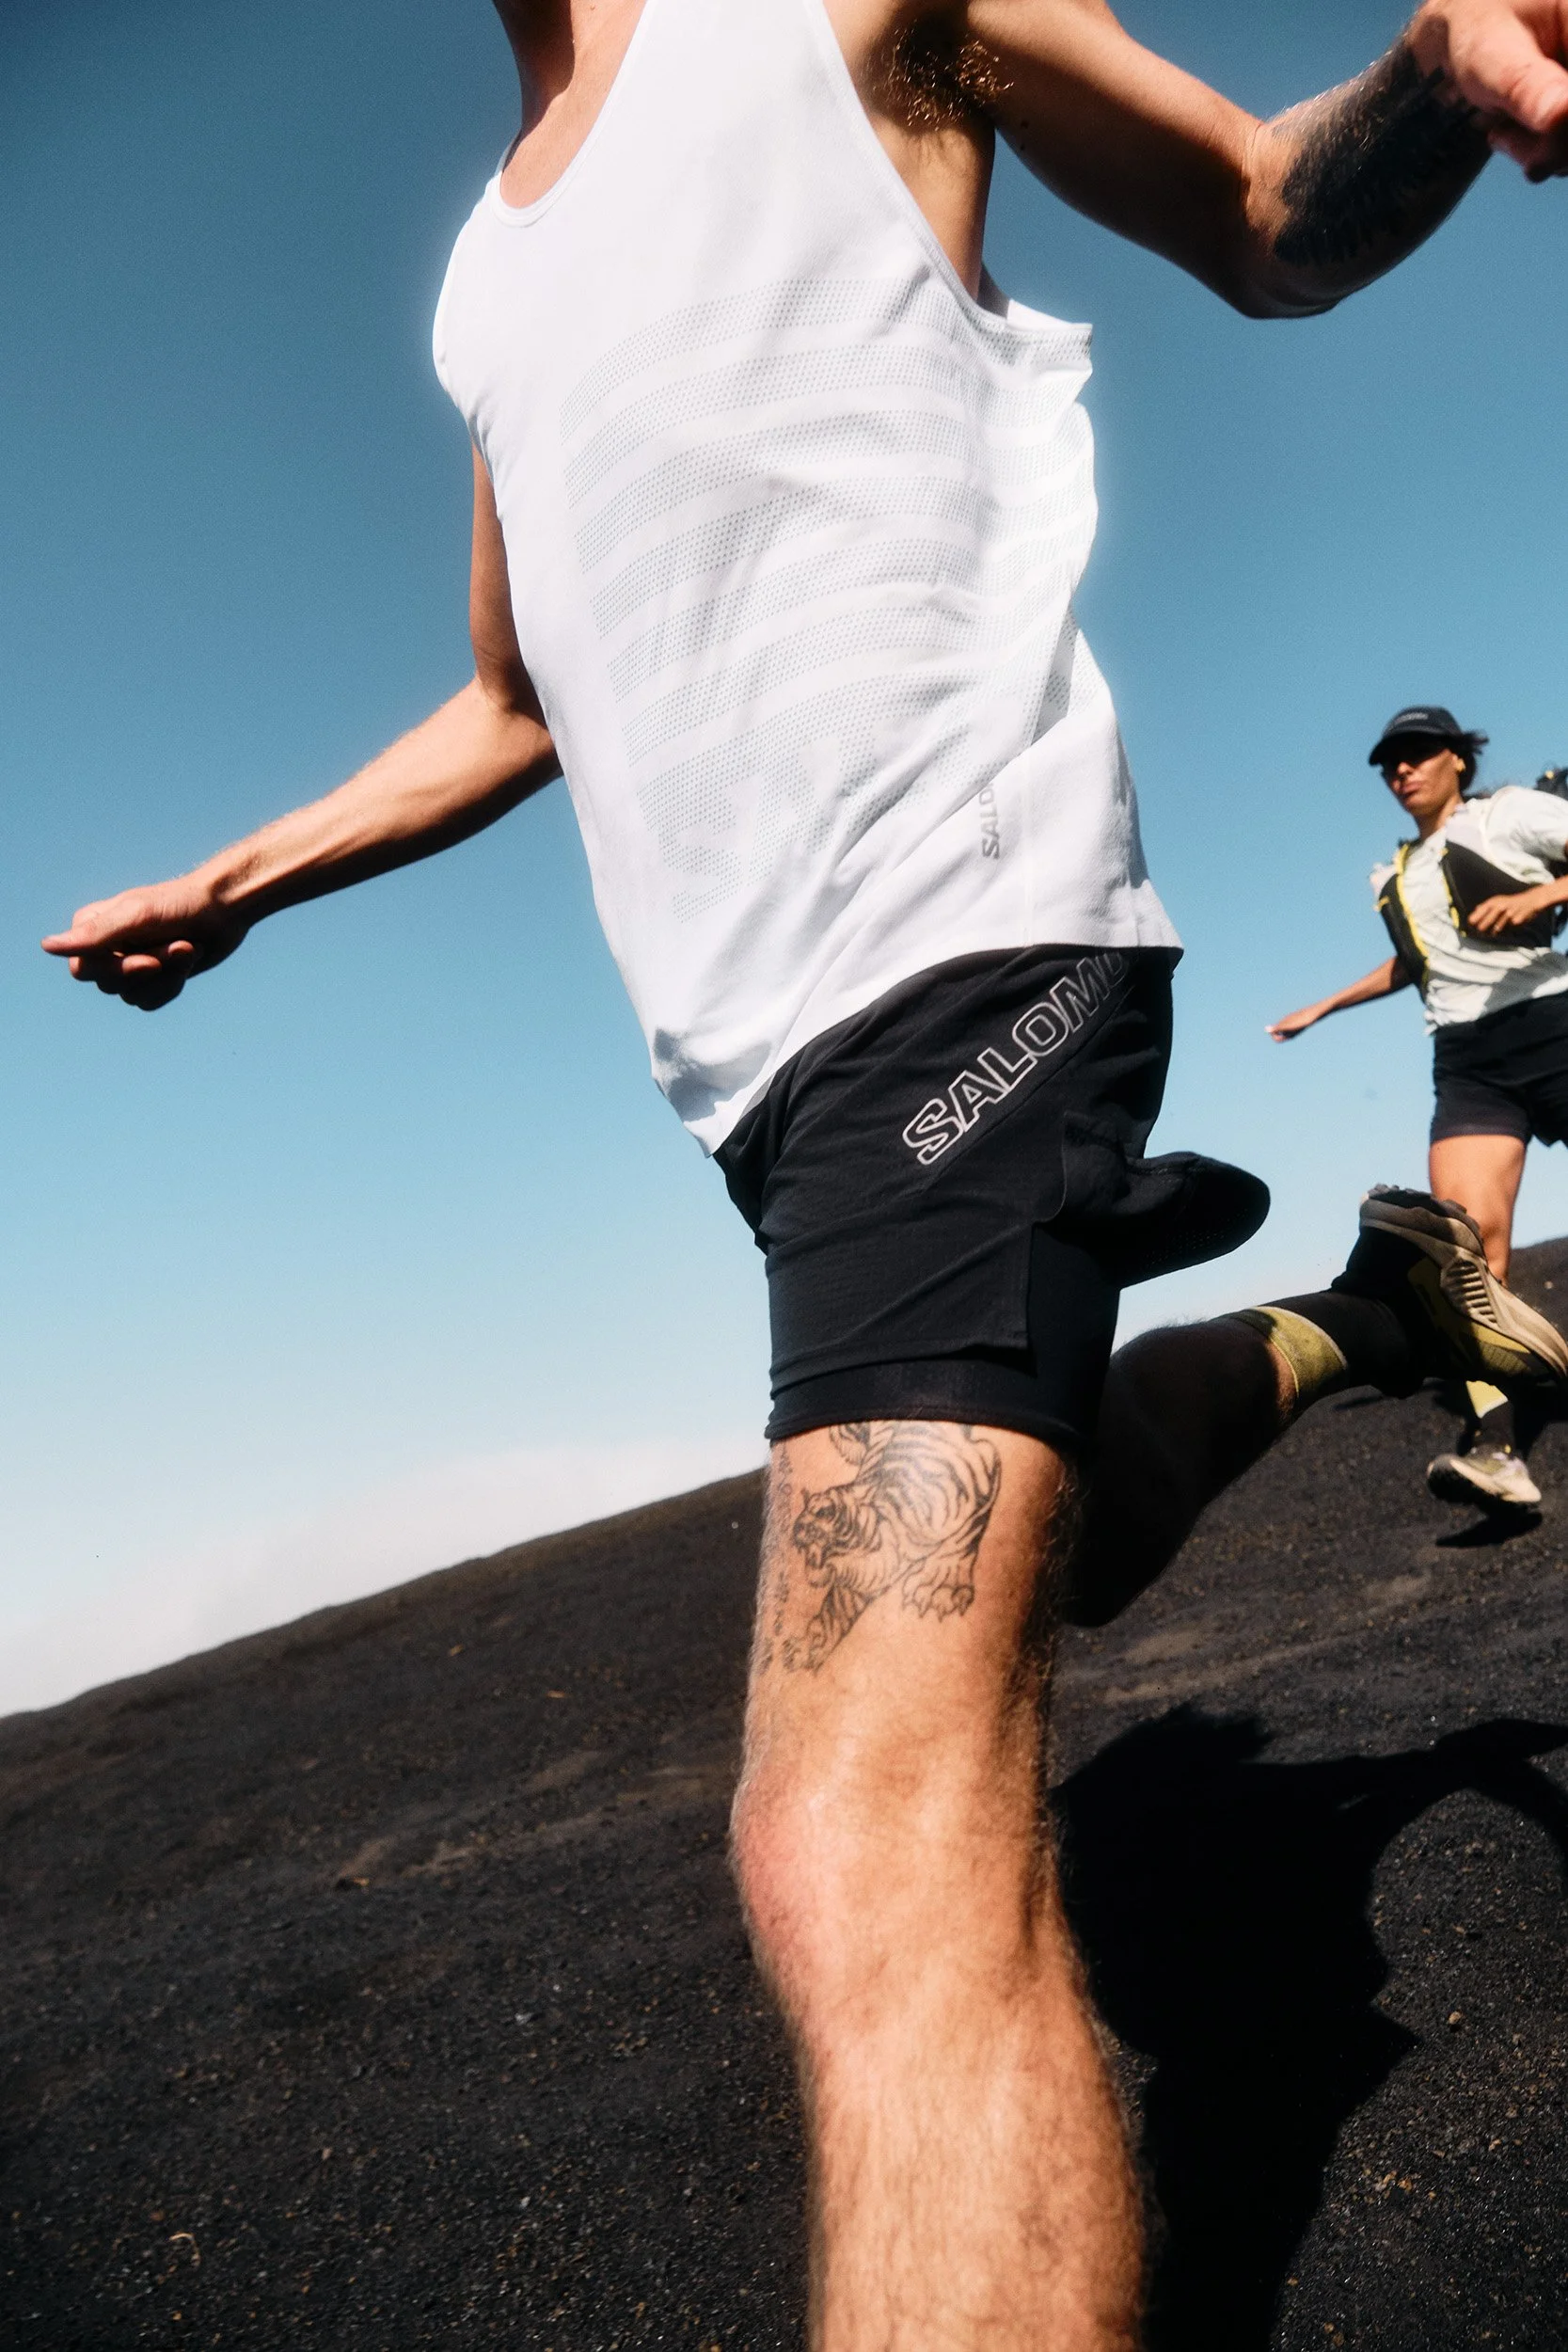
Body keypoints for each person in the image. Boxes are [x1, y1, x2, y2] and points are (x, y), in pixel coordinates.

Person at [40, 5, 1568, 2344]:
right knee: (1063, 1566)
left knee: (855, 1840)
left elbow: (1264, 214)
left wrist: (1446, 68)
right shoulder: (485, 269)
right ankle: (1373, 1318)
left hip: (965, 953)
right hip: (761, 1079)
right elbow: (514, 700)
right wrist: (242, 878)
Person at [1269, 704, 1568, 1514]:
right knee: (1463, 1256)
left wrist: (1547, 889)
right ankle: (1498, 1452)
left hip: (1551, 1018)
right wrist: (1325, 1005)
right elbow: (1414, 961)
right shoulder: (1395, 871)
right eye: (1387, 762)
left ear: (1456, 761)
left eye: (1415, 754)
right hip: (1467, 1061)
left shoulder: (1510, 815)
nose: (1400, 770)